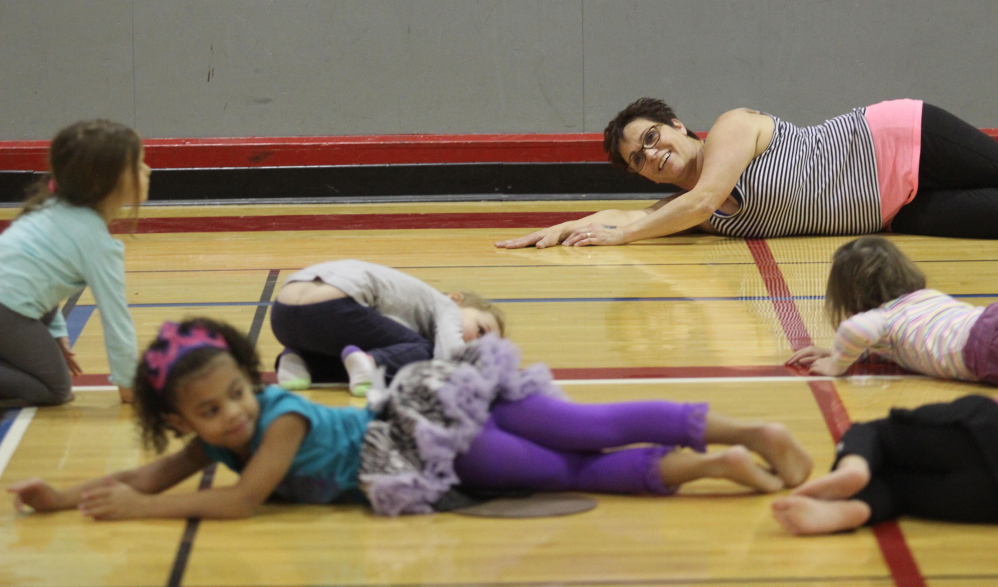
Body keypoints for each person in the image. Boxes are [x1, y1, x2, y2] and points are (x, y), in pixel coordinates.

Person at [8, 317, 813, 520]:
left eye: (234, 396)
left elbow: (240, 500)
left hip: (429, 418)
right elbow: (149, 473)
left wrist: (145, 509)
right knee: (565, 467)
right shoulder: (209, 440)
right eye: (208, 412)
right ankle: (714, 465)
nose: (229, 416)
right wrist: (72, 493)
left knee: (581, 429)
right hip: (431, 449)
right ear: (182, 414)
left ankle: (745, 432)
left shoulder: (278, 419)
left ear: (253, 382)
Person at [495, 97, 998, 249]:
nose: (651, 154)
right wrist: (566, 228)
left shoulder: (731, 129)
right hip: (895, 212)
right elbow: (626, 215)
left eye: (652, 138)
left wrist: (623, 236)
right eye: (638, 160)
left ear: (676, 126)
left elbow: (699, 201)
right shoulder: (687, 209)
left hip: (903, 138)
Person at [0, 119, 149, 405]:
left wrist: (56, 333)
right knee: (56, 391)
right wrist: (128, 384)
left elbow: (38, 279)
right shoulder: (94, 241)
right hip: (8, 311)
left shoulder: (53, 207)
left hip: (13, 305)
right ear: (106, 180)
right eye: (139, 164)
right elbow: (116, 321)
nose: (148, 170)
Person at [270, 259, 505, 396]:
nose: (474, 345)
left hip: (282, 314)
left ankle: (301, 361)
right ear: (456, 299)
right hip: (337, 307)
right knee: (424, 353)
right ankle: (371, 364)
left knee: (361, 356)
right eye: (481, 331)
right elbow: (448, 361)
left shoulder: (406, 313)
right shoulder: (446, 307)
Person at [772, 394, 998, 535]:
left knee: (875, 434)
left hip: (982, 432)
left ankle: (854, 466)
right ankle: (854, 509)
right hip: (988, 501)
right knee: (900, 491)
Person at [785, 235, 998, 383]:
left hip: (981, 346)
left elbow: (856, 330)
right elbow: (891, 345)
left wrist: (837, 363)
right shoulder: (925, 298)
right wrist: (838, 350)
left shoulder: (885, 318)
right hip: (986, 321)